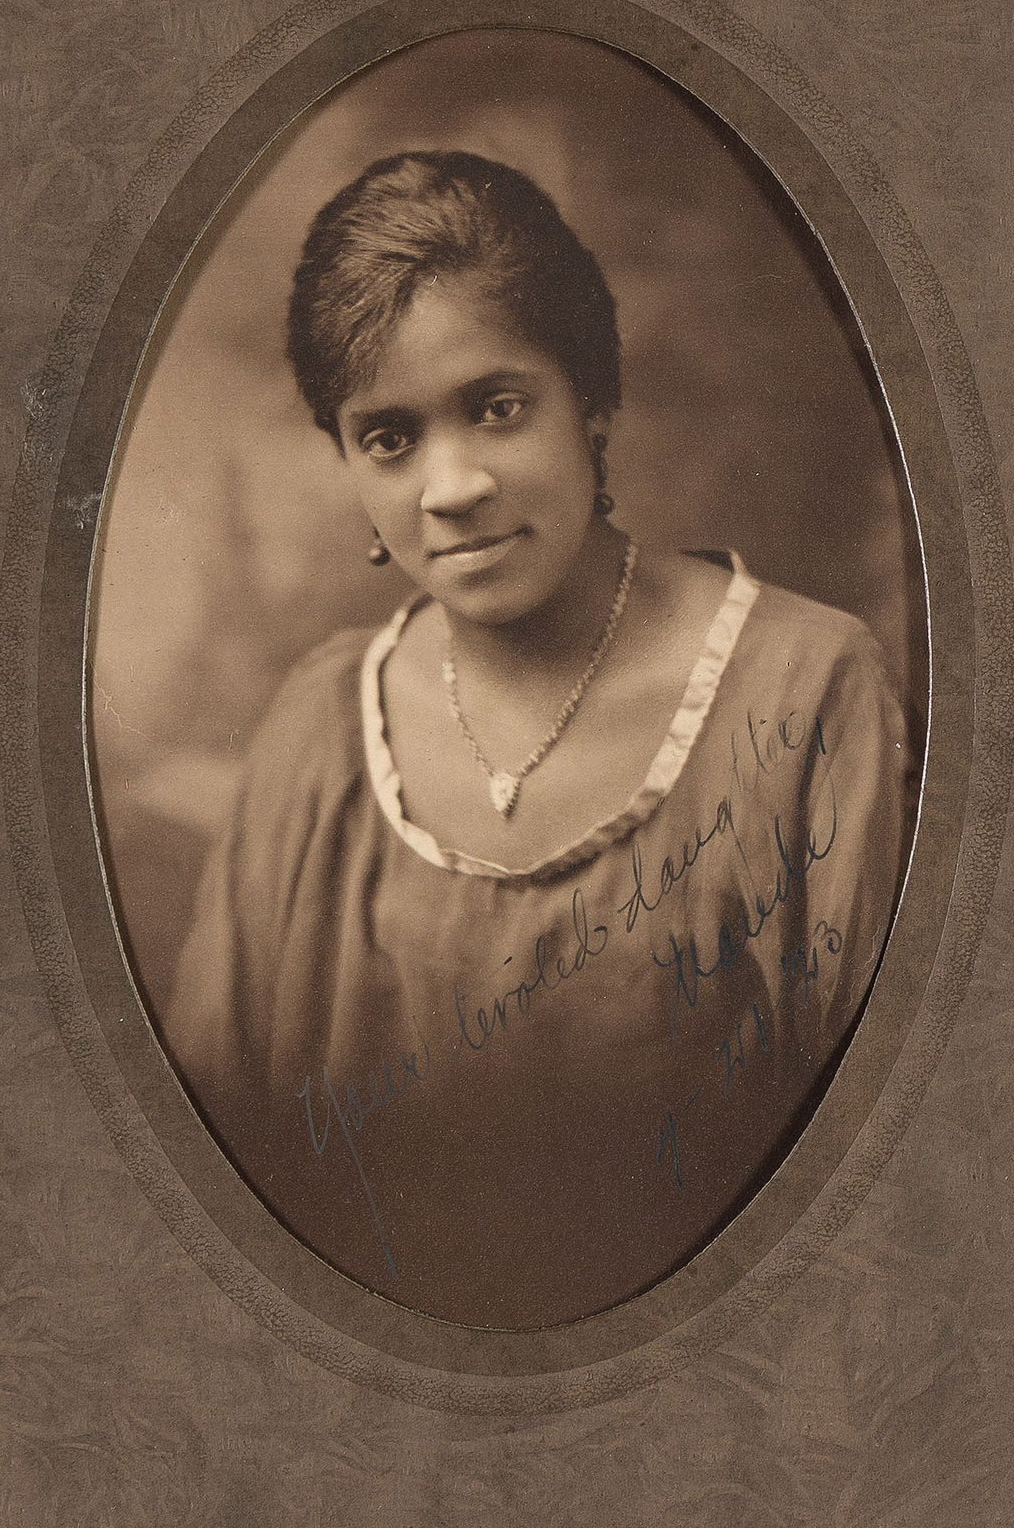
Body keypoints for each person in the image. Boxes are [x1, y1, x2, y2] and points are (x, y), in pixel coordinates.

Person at [164, 150, 910, 1331]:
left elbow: (881, 1192)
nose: (451, 485)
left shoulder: (808, 694)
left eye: (497, 407)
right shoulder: (321, 733)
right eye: (389, 437)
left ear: (593, 399)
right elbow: (209, 1183)